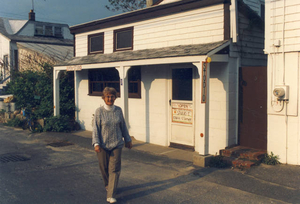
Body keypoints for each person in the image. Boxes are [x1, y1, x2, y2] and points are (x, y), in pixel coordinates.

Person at [92, 87, 132, 204]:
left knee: (114, 169)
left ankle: (111, 194)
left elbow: (123, 126)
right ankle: (108, 185)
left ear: (115, 97)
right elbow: (96, 128)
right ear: (104, 98)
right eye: (107, 96)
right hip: (102, 145)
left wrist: (127, 140)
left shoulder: (118, 110)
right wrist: (96, 143)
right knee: (104, 168)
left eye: (112, 96)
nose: (110, 98)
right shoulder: (99, 111)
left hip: (117, 144)